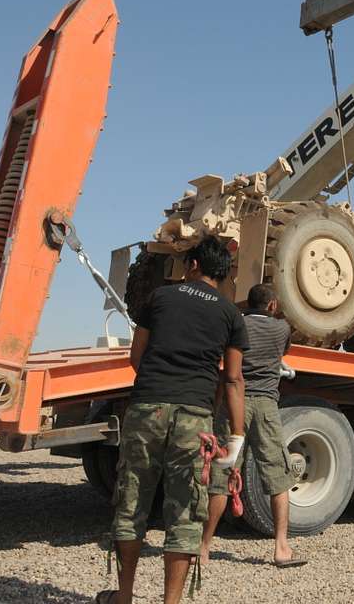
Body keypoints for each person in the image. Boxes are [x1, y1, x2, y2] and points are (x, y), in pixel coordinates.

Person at [97, 236, 248, 604]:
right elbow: (232, 378)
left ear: (193, 265)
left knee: (132, 504)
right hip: (194, 418)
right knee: (185, 512)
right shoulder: (230, 315)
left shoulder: (160, 299)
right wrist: (237, 436)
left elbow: (137, 356)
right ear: (222, 273)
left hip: (148, 407)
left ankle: (125, 595)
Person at [200, 283, 305, 568]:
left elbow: (227, 368)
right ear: (272, 306)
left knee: (222, 477)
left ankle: (204, 547)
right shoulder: (282, 329)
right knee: (277, 476)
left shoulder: (236, 324)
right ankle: (281, 548)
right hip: (266, 406)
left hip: (235, 402)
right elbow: (283, 349)